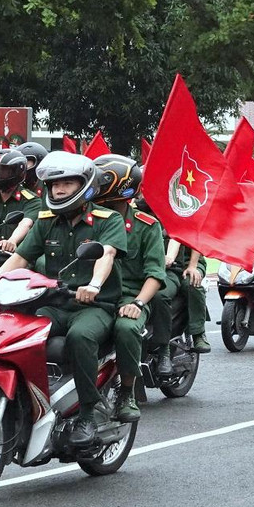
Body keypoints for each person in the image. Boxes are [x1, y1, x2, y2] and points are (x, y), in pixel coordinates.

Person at [0, 152, 138, 443]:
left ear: (84, 185)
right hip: (55, 303)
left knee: (80, 337)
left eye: (67, 183)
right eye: (53, 185)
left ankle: (89, 411)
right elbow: (22, 258)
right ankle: (28, 397)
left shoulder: (107, 219)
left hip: (95, 306)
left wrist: (96, 285)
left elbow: (107, 254)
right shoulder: (46, 220)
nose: (59, 190)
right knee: (19, 331)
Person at [93, 155, 174, 389]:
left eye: (101, 181)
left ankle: (127, 393)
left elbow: (155, 273)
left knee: (126, 328)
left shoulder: (147, 225)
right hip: (94, 295)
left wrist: (137, 303)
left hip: (130, 294)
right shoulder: (88, 220)